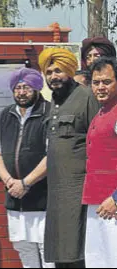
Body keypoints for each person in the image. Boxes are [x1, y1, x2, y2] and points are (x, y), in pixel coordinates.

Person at [37, 48, 100, 268]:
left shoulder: (86, 97)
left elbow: (100, 143)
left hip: (79, 192)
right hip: (55, 193)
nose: (54, 77)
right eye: (49, 72)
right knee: (60, 254)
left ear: (70, 71)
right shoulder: (51, 103)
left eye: (59, 71)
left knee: (79, 252)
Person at [0, 67, 55, 268]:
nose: (21, 92)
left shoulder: (50, 113)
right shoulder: (6, 115)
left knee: (48, 252)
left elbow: (52, 155)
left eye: (26, 87)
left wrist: (26, 183)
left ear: (37, 88)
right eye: (17, 88)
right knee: (24, 249)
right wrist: (10, 182)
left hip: (43, 198)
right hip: (15, 198)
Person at [82, 57, 117, 268]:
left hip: (112, 204)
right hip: (96, 202)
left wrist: (116, 198)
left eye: (107, 81)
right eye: (96, 82)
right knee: (97, 262)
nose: (101, 87)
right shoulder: (101, 112)